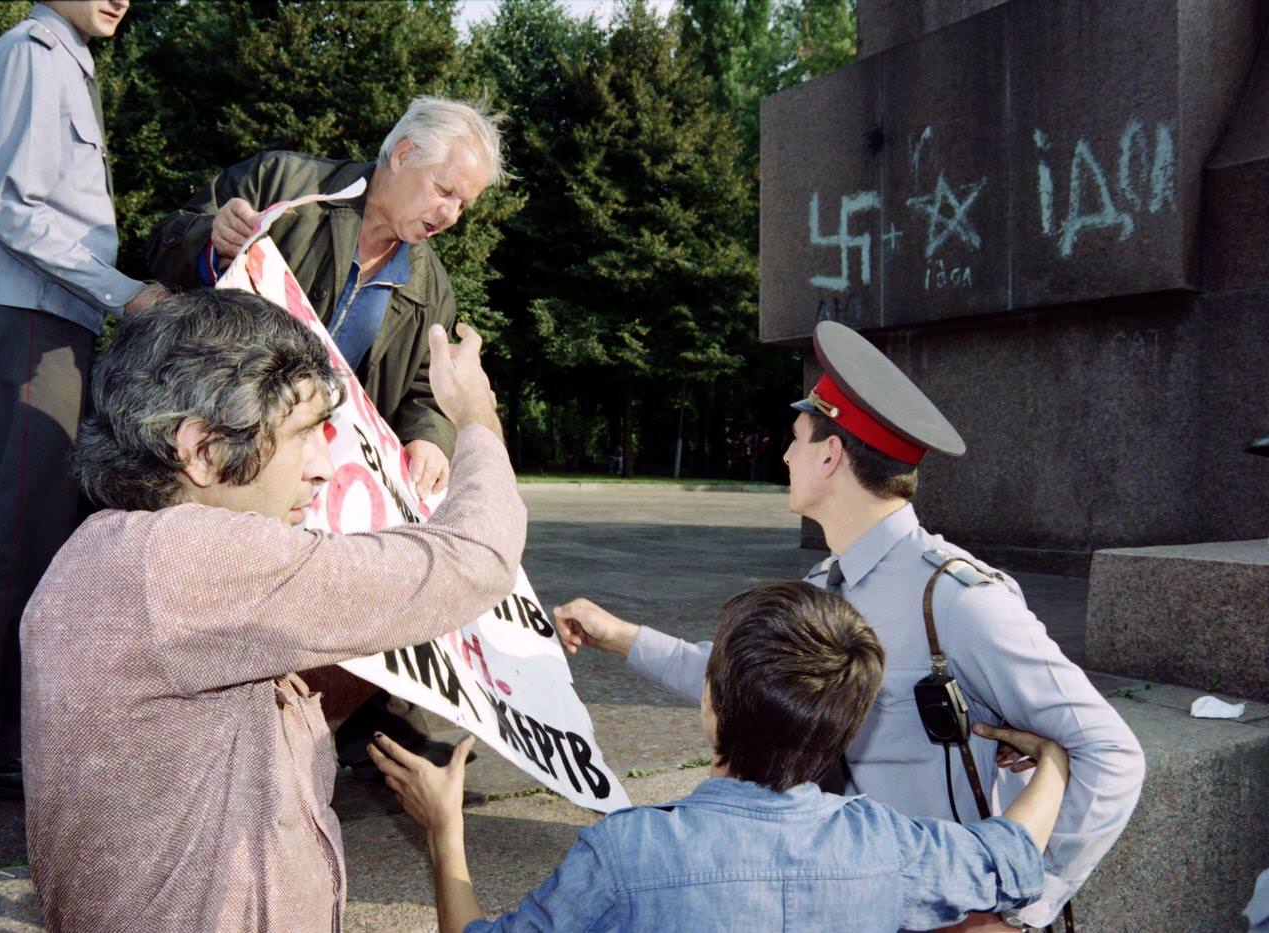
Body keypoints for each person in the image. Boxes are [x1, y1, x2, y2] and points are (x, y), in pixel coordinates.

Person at [553, 321, 1145, 931]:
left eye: (796, 439)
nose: (785, 455)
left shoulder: (957, 599)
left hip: (931, 908)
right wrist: (618, 636)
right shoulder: (825, 585)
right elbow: (745, 686)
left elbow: (1112, 753)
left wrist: (1022, 907)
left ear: (831, 455)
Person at [21, 289, 525, 931]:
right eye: (303, 434)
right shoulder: (187, 558)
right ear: (202, 450)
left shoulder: (114, 554)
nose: (322, 468)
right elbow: (473, 559)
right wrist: (476, 418)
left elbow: (266, 710)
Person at [372, 581, 1070, 931]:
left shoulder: (629, 854)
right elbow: (1012, 854)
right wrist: (1053, 763)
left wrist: (445, 833)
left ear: (712, 704)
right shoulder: (894, 849)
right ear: (846, 726)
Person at [147, 95, 506, 773]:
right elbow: (163, 238)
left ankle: (352, 719)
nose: (451, 214)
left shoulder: (429, 283)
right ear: (401, 155)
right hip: (223, 452)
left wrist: (430, 437)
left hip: (322, 476)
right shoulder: (283, 184)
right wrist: (210, 238)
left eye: (464, 204)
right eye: (446, 191)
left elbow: (427, 389)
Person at [0, 0, 167, 802]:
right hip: (29, 313)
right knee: (25, 530)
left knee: (44, 523)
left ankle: (7, 731)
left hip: (48, 313)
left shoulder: (64, 56)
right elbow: (16, 209)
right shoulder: (36, 53)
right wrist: (123, 292)